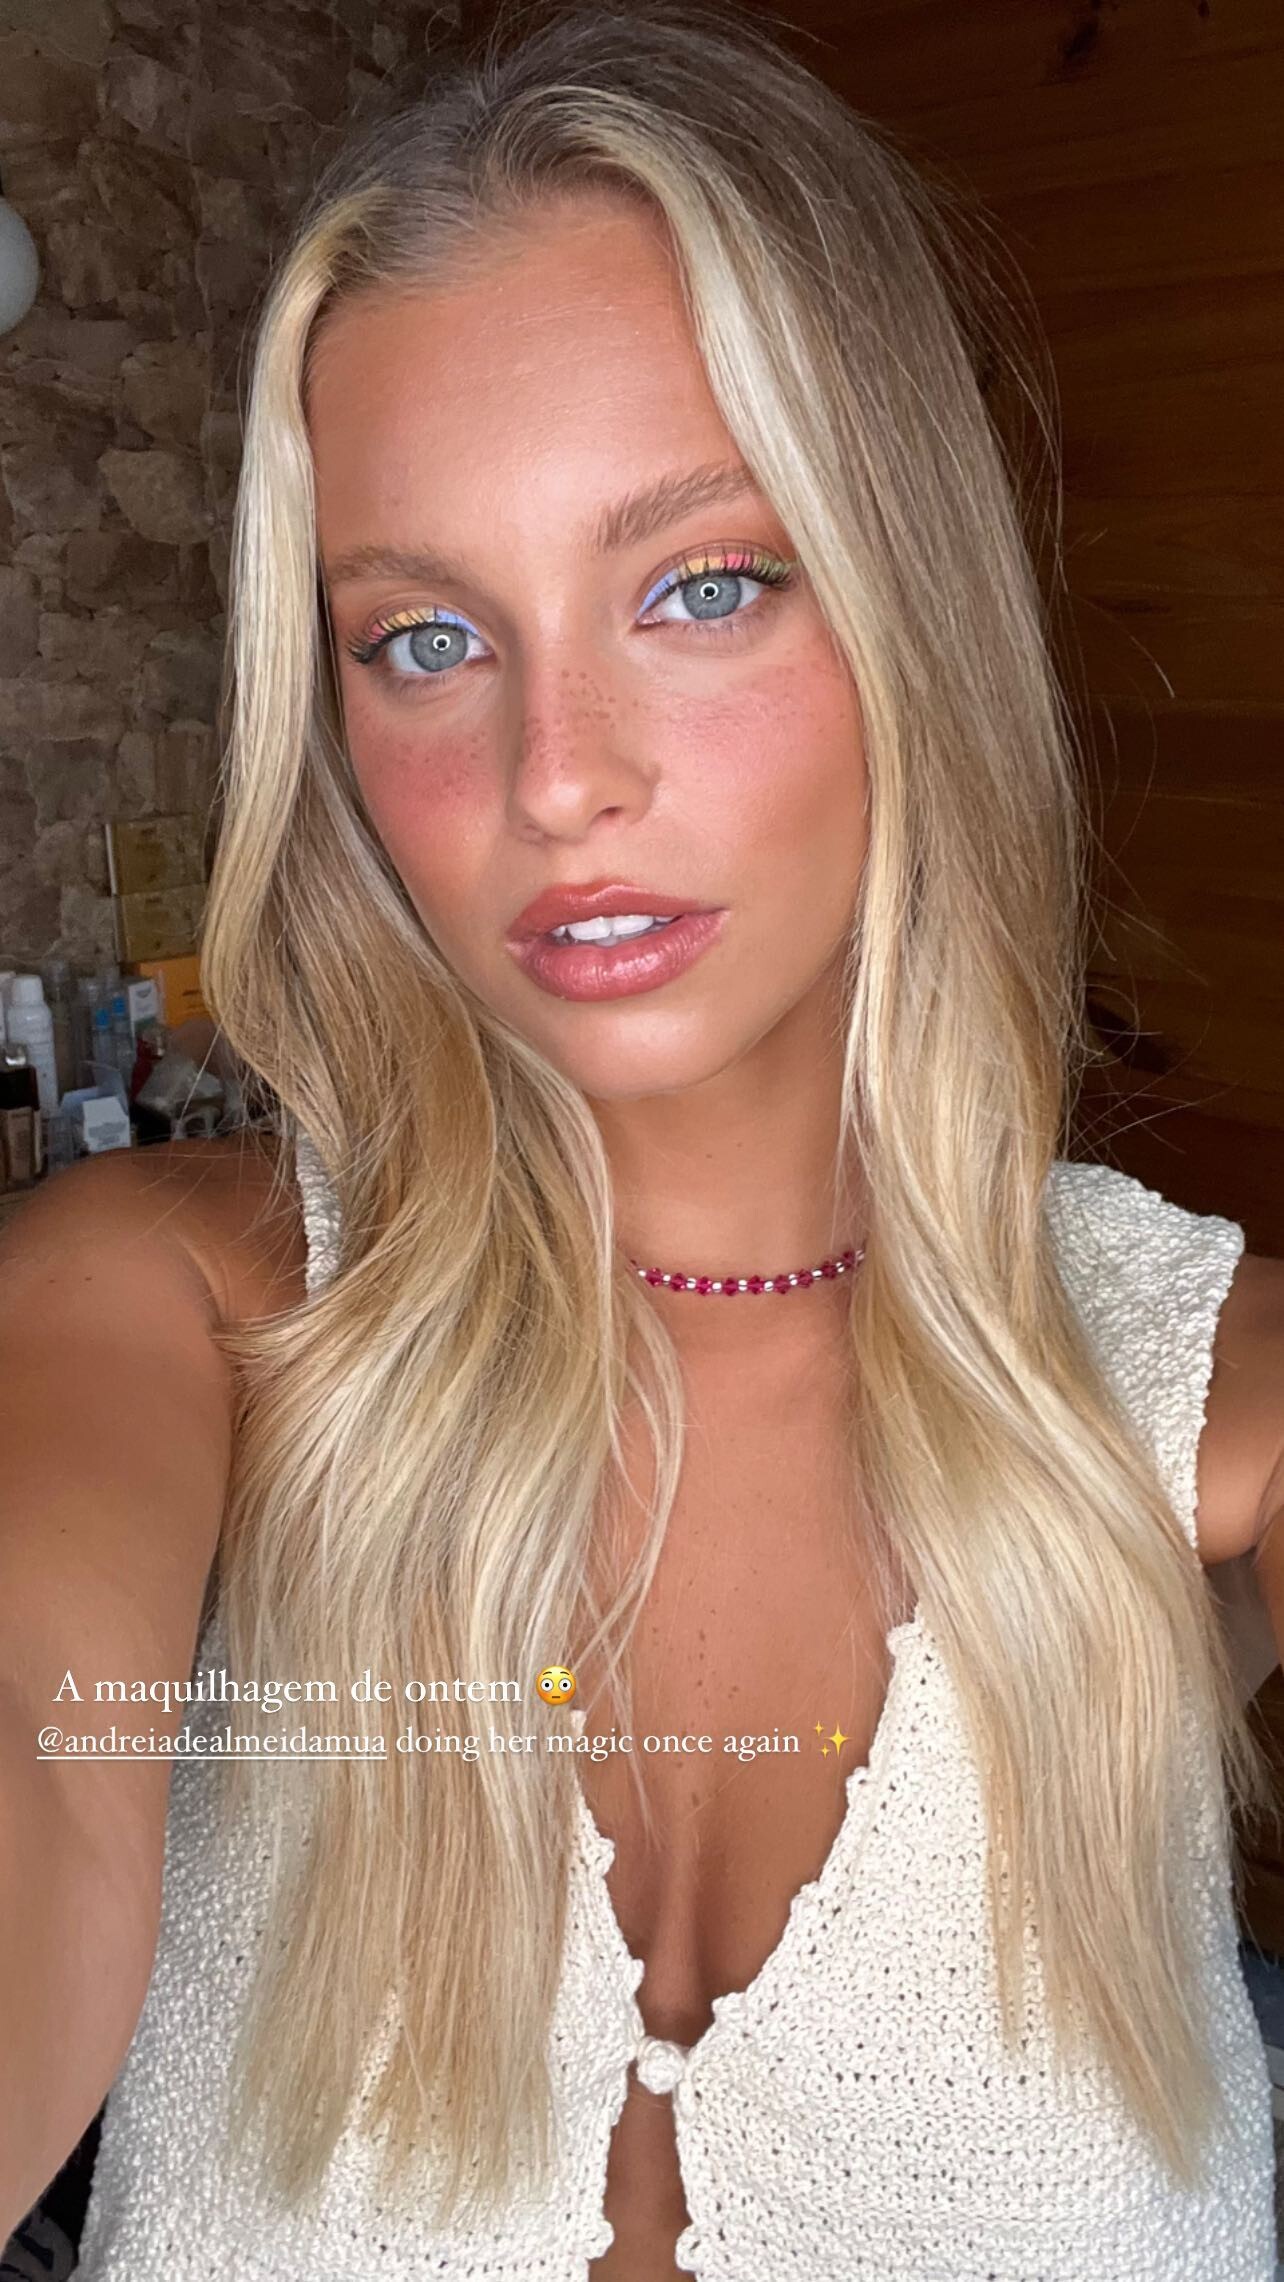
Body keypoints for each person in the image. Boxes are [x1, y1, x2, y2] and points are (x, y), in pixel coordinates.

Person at [2, 3, 1282, 2275]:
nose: (557, 772)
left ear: (907, 606)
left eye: (702, 583)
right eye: (424, 638)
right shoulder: (170, 1313)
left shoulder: (1213, 1401)